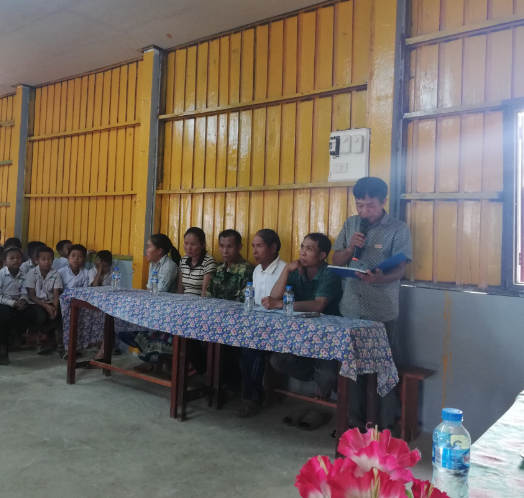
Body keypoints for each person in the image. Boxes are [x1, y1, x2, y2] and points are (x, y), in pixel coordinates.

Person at [332, 176, 412, 432]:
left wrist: (380, 279)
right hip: (351, 309)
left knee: (381, 370)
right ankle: (354, 425)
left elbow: (400, 268)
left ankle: (382, 427)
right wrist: (350, 248)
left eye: (370, 205)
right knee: (351, 370)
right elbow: (336, 259)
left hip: (381, 311)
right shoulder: (351, 224)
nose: (364, 211)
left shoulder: (398, 229)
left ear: (383, 201)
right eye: (360, 205)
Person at [266, 233, 343, 404]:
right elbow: (274, 297)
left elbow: (318, 305)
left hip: (327, 337)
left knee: (328, 374)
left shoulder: (330, 273)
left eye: (309, 249)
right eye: (302, 246)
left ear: (322, 255)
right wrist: (286, 270)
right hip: (301, 335)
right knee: (277, 360)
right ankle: (320, 378)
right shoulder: (296, 271)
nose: (302, 252)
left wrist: (280, 304)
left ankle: (325, 385)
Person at [235, 229, 287, 418]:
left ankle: (252, 399)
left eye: (259, 246)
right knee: (229, 343)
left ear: (273, 248)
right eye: (253, 246)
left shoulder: (284, 269)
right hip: (257, 326)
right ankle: (234, 389)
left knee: (250, 349)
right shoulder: (257, 270)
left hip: (278, 328)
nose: (254, 251)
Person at [121, 234, 181, 372]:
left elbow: (159, 291)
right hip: (155, 306)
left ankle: (152, 360)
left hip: (167, 310)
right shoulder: (153, 264)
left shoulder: (169, 266)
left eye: (149, 247)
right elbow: (149, 288)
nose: (146, 250)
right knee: (126, 326)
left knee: (145, 326)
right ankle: (151, 359)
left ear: (159, 251)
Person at [0, 247, 42, 365]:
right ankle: (3, 350)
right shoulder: (1, 275)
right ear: (4, 261)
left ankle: (16, 333)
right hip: (3, 302)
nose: (16, 260)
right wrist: (12, 303)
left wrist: (23, 300)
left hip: (18, 302)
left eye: (18, 257)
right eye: (12, 258)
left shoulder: (24, 275)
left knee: (32, 313)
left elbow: (24, 291)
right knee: (5, 318)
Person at [24, 246, 63, 346]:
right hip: (36, 302)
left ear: (53, 260)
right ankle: (34, 331)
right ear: (36, 260)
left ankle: (60, 341)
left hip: (50, 301)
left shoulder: (55, 274)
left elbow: (56, 293)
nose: (47, 262)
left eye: (49, 259)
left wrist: (55, 308)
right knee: (41, 316)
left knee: (61, 314)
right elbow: (31, 295)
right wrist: (46, 306)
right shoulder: (31, 274)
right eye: (43, 259)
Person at [177, 227, 216, 296]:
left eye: (193, 244)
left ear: (203, 245)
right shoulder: (183, 260)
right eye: (186, 243)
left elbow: (205, 292)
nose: (188, 248)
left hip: (199, 301)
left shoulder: (208, 262)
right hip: (183, 300)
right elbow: (180, 289)